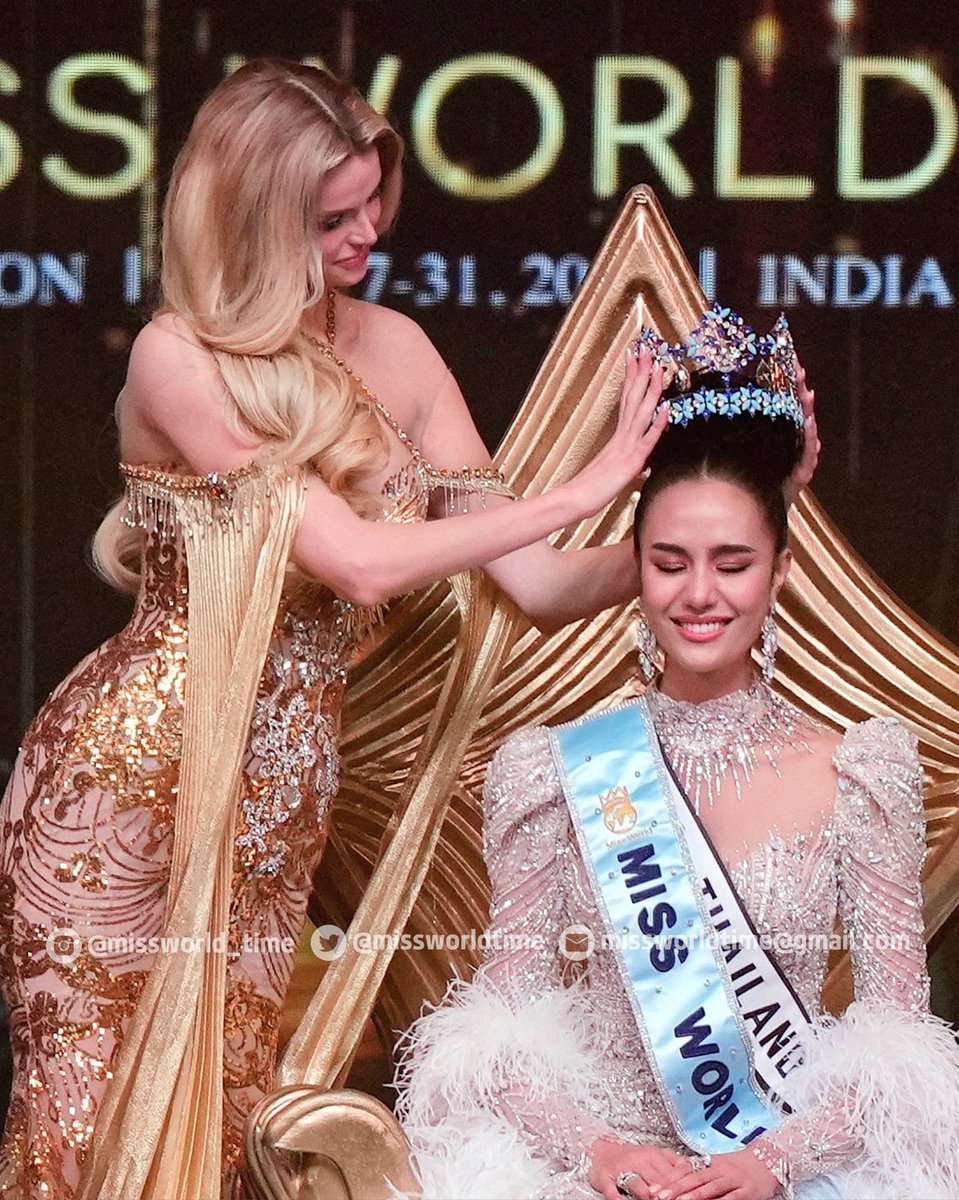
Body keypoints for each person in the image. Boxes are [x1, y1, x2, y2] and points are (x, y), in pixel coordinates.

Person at [0, 57, 682, 1200]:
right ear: (252, 216)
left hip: (277, 806)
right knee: (83, 1123)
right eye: (332, 216)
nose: (368, 232)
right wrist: (583, 481)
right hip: (124, 793)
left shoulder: (400, 348)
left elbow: (535, 580)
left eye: (376, 201)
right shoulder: (180, 358)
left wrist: (677, 547)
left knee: (216, 1125)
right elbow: (355, 563)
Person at [395, 308, 959, 1200]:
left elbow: (896, 1043)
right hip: (598, 1171)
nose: (699, 594)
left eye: (732, 562)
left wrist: (770, 1163)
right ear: (637, 571)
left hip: (780, 1157)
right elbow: (496, 1036)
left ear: (779, 573)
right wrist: (599, 1154)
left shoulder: (861, 770)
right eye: (668, 562)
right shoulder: (555, 771)